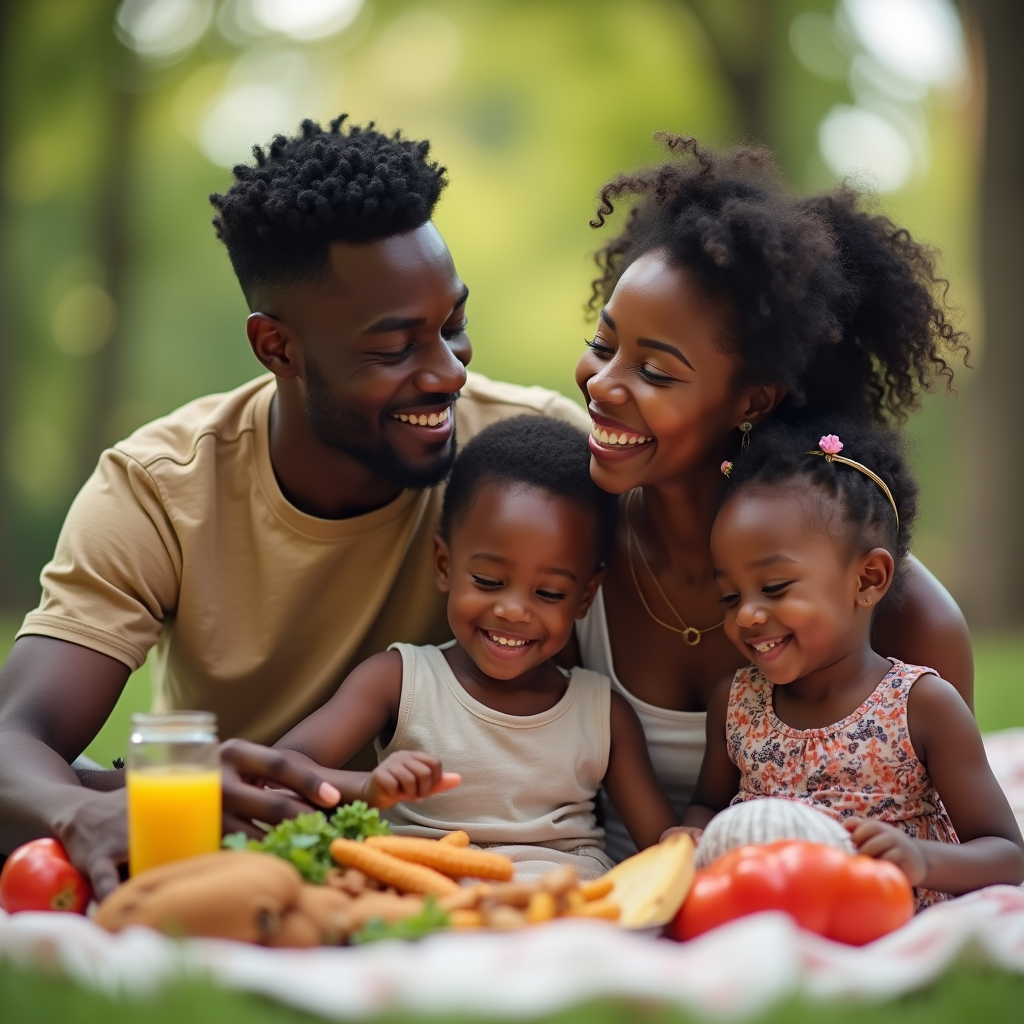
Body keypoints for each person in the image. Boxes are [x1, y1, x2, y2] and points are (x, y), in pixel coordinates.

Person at [0, 117, 587, 897]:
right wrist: (83, 813)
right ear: (277, 347)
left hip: (467, 859)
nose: (448, 373)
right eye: (394, 347)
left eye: (453, 325)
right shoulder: (160, 487)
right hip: (239, 853)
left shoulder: (533, 461)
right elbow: (17, 737)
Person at [572, 135, 974, 861]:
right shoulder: (570, 540)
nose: (601, 385)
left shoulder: (906, 615)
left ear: (751, 399)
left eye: (655, 372)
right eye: (605, 346)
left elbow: (956, 845)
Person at [271, 417, 677, 879]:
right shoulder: (399, 680)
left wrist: (687, 838)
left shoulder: (602, 713)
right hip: (422, 900)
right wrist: (365, 787)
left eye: (549, 594)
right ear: (444, 565)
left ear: (585, 596)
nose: (513, 611)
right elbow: (283, 766)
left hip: (563, 909)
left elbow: (662, 843)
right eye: (488, 581)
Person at [679, 421, 1024, 906]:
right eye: (730, 596)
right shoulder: (737, 703)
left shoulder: (920, 705)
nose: (747, 614)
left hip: (882, 911)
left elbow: (1007, 854)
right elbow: (706, 805)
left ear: (868, 579)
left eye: (775, 587)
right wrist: (691, 835)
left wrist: (921, 858)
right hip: (766, 905)